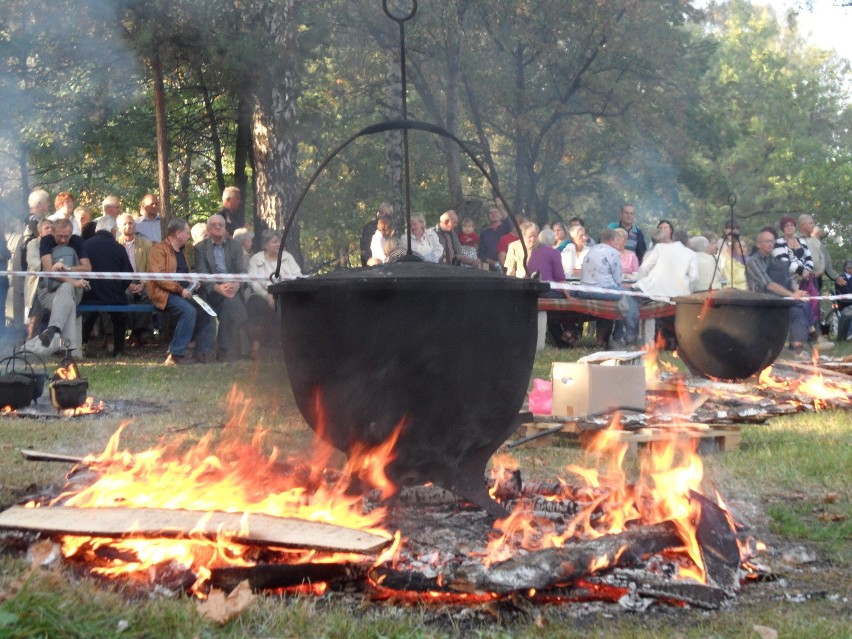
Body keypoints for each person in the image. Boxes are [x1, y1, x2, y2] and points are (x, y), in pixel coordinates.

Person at [147, 217, 214, 365]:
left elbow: (184, 273)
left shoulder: (183, 251)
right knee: (188, 312)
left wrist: (192, 282)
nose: (189, 236)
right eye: (187, 232)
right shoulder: (158, 250)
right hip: (164, 293)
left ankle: (202, 352)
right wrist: (180, 290)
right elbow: (159, 278)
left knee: (206, 311)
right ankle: (175, 354)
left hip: (184, 291)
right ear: (178, 233)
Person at [24, 217, 91, 357]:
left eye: (67, 236)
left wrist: (66, 269)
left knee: (66, 289)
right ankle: (68, 352)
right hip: (49, 291)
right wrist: (73, 282)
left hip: (74, 290)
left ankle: (52, 330)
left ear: (71, 233)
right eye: (60, 236)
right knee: (68, 301)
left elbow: (87, 268)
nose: (63, 240)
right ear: (53, 232)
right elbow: (49, 270)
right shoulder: (46, 241)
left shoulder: (77, 241)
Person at [747, 229, 811, 358]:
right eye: (767, 241)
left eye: (772, 241)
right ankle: (812, 337)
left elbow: (786, 279)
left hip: (776, 299)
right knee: (797, 306)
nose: (770, 244)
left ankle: (798, 347)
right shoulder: (754, 261)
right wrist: (792, 296)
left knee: (801, 307)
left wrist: (797, 291)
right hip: (761, 302)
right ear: (758, 244)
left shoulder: (774, 260)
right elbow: (769, 285)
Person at [194, 214, 250, 361]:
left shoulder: (235, 246)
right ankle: (232, 345)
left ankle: (225, 350)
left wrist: (237, 285)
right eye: (214, 225)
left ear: (225, 228)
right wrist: (218, 288)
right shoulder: (200, 248)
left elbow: (242, 271)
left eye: (221, 225)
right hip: (212, 289)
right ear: (208, 228)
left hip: (232, 286)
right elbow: (202, 273)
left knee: (230, 304)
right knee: (229, 304)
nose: (218, 227)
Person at [574, 227, 640, 347]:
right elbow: (618, 280)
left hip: (584, 290)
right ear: (610, 240)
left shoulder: (592, 249)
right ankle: (620, 337)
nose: (617, 244)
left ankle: (602, 340)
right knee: (629, 298)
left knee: (618, 299)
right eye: (616, 241)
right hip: (601, 290)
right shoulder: (613, 252)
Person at [81, 216, 133, 357]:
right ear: (112, 230)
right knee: (120, 316)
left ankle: (82, 345)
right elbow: (128, 275)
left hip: (89, 295)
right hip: (114, 295)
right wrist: (118, 288)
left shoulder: (85, 245)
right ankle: (119, 351)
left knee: (89, 315)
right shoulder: (119, 248)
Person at [246, 229, 301, 359]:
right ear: (265, 245)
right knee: (257, 306)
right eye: (274, 242)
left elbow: (297, 275)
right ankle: (256, 345)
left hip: (286, 294)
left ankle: (291, 345)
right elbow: (253, 282)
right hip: (262, 295)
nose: (278, 244)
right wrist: (267, 295)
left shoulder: (287, 257)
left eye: (280, 242)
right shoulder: (256, 259)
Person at [116, 213, 154, 347]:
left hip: (143, 280)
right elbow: (115, 270)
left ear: (135, 225)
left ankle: (137, 333)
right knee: (127, 297)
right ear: (119, 227)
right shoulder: (115, 245)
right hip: (123, 283)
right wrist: (128, 285)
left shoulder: (146, 244)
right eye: (124, 224)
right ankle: (130, 331)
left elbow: (151, 266)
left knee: (148, 296)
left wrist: (143, 284)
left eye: (130, 223)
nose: (128, 226)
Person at [359, 202, 392, 267]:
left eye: (387, 215)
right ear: (378, 214)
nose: (384, 217)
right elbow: (365, 249)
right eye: (382, 213)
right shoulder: (370, 228)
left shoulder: (393, 228)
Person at [477, 206, 507, 270]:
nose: (493, 214)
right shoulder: (484, 233)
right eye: (491, 213)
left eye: (496, 212)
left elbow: (508, 220)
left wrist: (500, 206)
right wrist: (494, 263)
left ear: (501, 215)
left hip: (506, 267)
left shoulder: (506, 229)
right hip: (488, 267)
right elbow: (481, 253)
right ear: (488, 217)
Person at [834, 259, 852, 341]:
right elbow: (846, 292)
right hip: (845, 305)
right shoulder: (840, 278)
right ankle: (849, 333)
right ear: (847, 269)